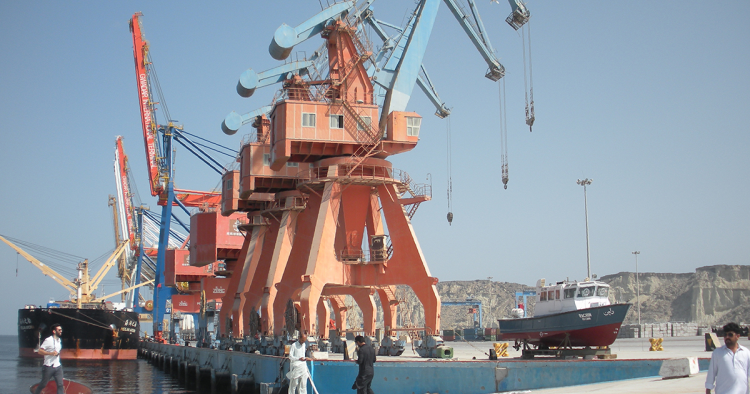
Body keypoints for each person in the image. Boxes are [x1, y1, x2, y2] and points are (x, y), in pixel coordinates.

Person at [705, 322, 750, 394]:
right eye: (725, 335)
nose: (727, 337)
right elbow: (711, 374)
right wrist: (708, 391)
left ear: (737, 336)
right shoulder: (718, 353)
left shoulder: (745, 352)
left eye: (730, 335)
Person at [33, 323, 64, 394]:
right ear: (54, 331)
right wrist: (51, 353)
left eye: (61, 329)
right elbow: (40, 351)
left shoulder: (59, 340)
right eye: (59, 330)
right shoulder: (48, 340)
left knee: (60, 384)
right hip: (48, 366)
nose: (61, 331)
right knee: (43, 384)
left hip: (58, 366)